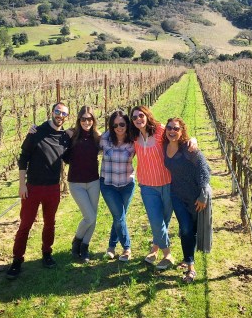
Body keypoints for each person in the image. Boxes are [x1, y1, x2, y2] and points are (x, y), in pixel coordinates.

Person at [7, 102, 71, 279]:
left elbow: (69, 158)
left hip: (52, 188)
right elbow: (23, 158)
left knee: (50, 223)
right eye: (58, 112)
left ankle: (47, 253)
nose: (60, 115)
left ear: (67, 117)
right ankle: (17, 260)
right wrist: (22, 184)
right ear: (52, 112)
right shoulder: (36, 132)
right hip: (32, 187)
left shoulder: (65, 137)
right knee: (25, 224)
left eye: (64, 114)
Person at [129, 105, 197, 270]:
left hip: (167, 183)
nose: (138, 119)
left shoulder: (160, 131)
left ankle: (154, 249)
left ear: (147, 115)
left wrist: (193, 139)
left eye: (141, 115)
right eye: (135, 117)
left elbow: (178, 136)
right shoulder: (133, 137)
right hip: (147, 186)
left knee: (164, 220)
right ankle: (168, 255)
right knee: (156, 221)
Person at [163, 117, 211, 283]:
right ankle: (190, 266)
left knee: (194, 229)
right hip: (176, 194)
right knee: (185, 228)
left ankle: (189, 254)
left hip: (196, 197)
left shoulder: (189, 149)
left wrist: (203, 192)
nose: (172, 131)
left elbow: (205, 169)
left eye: (176, 128)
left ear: (182, 131)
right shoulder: (164, 147)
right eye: (169, 127)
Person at [65, 106, 101, 263]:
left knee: (93, 216)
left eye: (89, 119)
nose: (87, 122)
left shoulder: (98, 137)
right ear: (79, 120)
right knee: (90, 216)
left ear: (93, 120)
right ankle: (77, 241)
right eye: (83, 119)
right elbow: (52, 135)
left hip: (94, 181)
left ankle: (84, 247)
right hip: (76, 183)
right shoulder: (71, 135)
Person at [99, 110, 135, 262]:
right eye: (115, 125)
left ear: (127, 124)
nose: (119, 127)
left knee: (119, 217)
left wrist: (192, 139)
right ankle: (127, 248)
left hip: (127, 184)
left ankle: (111, 247)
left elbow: (155, 136)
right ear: (111, 126)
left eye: (122, 124)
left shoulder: (134, 140)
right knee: (119, 217)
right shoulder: (104, 138)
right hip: (108, 184)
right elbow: (83, 132)